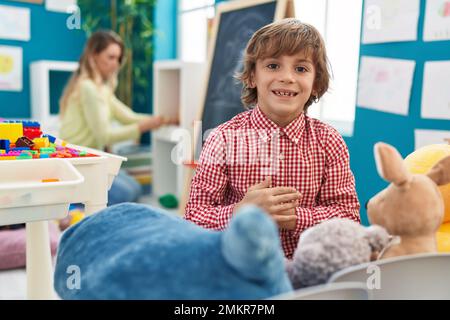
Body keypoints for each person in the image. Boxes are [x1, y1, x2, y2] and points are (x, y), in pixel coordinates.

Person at [185, 19, 360, 259]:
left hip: (307, 268)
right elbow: (193, 217)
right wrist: (240, 212)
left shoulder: (329, 141)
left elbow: (349, 219)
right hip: (240, 266)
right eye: (273, 65)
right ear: (251, 77)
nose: (287, 77)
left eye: (301, 69)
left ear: (316, 83)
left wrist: (296, 218)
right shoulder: (222, 139)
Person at [59, 30, 166, 205]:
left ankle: (80, 200)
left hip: (90, 162)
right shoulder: (88, 88)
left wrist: (161, 120)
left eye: (118, 58)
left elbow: (128, 117)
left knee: (134, 188)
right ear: (94, 56)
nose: (116, 64)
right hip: (75, 164)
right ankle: (75, 203)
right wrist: (144, 127)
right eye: (111, 57)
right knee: (127, 193)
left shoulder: (101, 89)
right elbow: (104, 136)